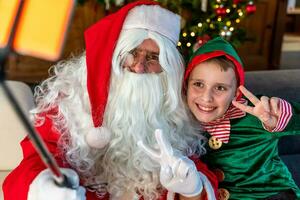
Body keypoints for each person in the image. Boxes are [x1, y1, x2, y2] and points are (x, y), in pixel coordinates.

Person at [3, 1, 218, 200]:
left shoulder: (177, 108)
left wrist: (194, 190)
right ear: (114, 54)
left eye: (153, 58)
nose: (139, 67)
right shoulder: (70, 99)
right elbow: (36, 160)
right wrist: (47, 188)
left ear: (169, 67)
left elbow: (191, 170)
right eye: (132, 53)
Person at [183, 36, 300, 199]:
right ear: (186, 85)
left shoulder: (258, 112)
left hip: (272, 195)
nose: (206, 98)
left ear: (236, 93)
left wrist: (282, 119)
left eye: (220, 87)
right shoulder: (181, 121)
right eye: (198, 84)